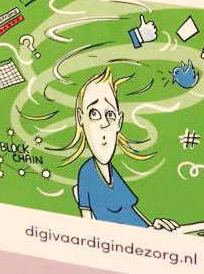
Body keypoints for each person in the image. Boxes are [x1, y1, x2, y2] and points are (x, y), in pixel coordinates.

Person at [60, 67, 179, 230]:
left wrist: (152, 226)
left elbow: (131, 210)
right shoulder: (87, 173)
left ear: (119, 122)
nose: (104, 124)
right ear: (81, 118)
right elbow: (88, 225)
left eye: (110, 115)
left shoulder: (113, 173)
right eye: (94, 114)